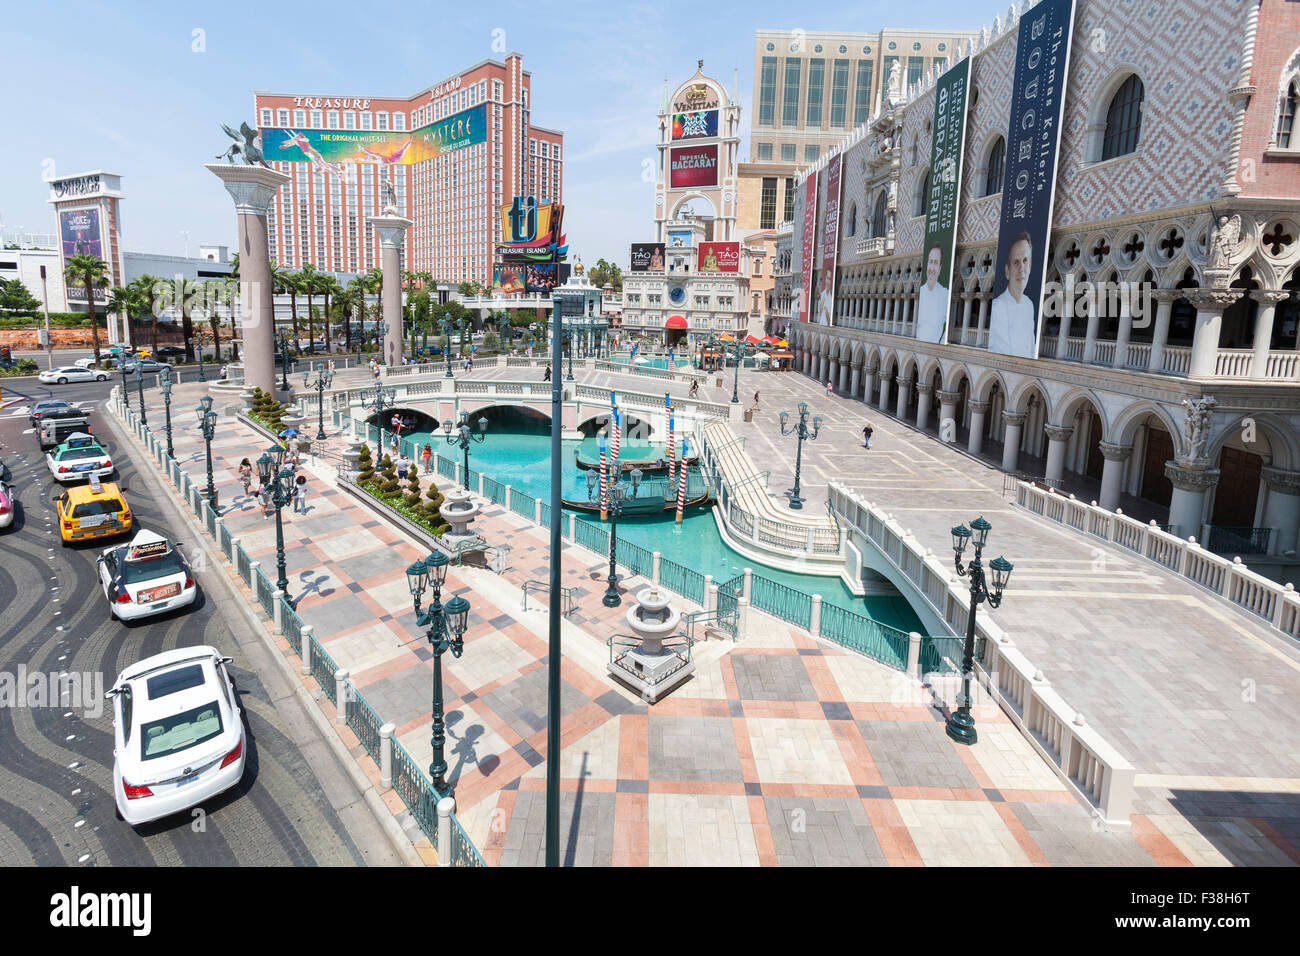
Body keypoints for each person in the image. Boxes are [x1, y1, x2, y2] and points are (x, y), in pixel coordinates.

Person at [988, 231, 1038, 358]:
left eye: (1025, 261)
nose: (1022, 268)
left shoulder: (1029, 304)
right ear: (1007, 271)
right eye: (1016, 262)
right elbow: (1003, 354)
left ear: (1030, 266)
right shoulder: (999, 306)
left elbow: (1031, 348)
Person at [915, 243, 950, 344]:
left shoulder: (944, 294)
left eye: (935, 263)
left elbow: (949, 324)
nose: (932, 268)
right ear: (927, 265)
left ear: (940, 268)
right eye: (930, 262)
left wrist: (941, 342)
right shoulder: (921, 291)